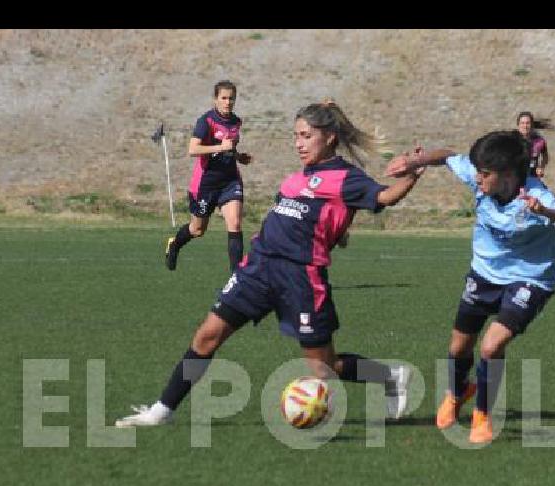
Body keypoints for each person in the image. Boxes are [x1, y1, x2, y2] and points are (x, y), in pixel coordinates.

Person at [116, 100, 425, 428]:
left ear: (330, 137)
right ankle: (161, 411)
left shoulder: (347, 178)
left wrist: (411, 177)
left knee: (324, 368)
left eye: (306, 136)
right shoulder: (295, 179)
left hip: (301, 277)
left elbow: (384, 197)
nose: (298, 143)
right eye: (296, 136)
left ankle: (389, 376)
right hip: (259, 268)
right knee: (207, 335)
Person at [386, 130, 555, 444]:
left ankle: (483, 414)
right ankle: (457, 393)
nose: (478, 178)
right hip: (484, 274)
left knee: (490, 346)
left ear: (508, 176)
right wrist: (412, 160)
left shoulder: (535, 194)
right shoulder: (479, 178)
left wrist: (545, 212)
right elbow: (447, 156)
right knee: (459, 347)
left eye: (485, 174)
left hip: (530, 278)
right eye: (477, 171)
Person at [164, 80, 253, 273]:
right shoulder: (206, 121)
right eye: (224, 98)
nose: (228, 102)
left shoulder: (236, 122)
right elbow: (193, 149)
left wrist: (238, 156)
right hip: (206, 184)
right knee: (197, 230)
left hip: (230, 180)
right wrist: (221, 147)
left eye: (231, 98)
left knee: (235, 223)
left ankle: (236, 281)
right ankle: (175, 244)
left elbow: (229, 147)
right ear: (215, 99)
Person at [516, 111, 550, 180]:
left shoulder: (539, 141)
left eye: (527, 123)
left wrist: (541, 167)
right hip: (514, 178)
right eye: (522, 123)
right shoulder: (512, 140)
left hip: (532, 177)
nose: (525, 126)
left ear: (532, 125)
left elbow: (545, 156)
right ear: (518, 125)